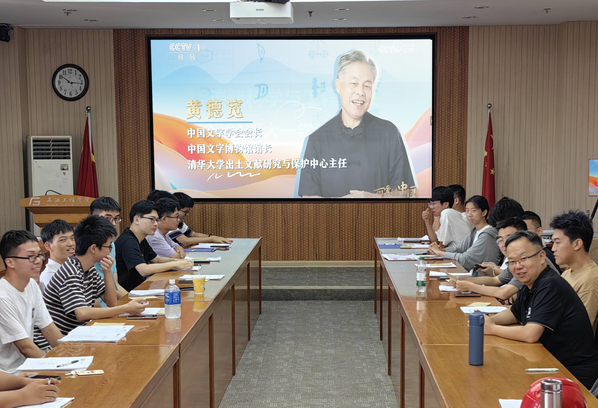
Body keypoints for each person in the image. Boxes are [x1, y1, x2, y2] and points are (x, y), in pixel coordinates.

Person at [484, 231, 598, 389]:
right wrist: (489, 320)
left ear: (542, 256)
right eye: (512, 261)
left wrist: (492, 328)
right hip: (550, 363)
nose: (518, 266)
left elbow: (530, 334)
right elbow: (514, 313)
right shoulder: (531, 283)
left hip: (573, 375)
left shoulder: (550, 285)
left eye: (524, 258)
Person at [297, 50, 415, 198]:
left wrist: (370, 198)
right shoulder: (317, 139)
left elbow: (405, 192)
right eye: (354, 83)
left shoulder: (389, 133)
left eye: (367, 86)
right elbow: (309, 197)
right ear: (338, 85)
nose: (360, 92)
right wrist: (341, 207)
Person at [43, 216, 147, 336]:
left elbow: (111, 302)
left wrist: (107, 272)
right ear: (93, 248)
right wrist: (125, 308)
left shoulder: (89, 268)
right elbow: (82, 314)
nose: (110, 251)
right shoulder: (70, 271)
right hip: (65, 337)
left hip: (81, 332)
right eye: (109, 247)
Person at [0, 231, 63, 373]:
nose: (38, 261)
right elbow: (25, 347)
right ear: (10, 262)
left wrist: (70, 356)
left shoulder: (31, 285)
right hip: (10, 373)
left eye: (39, 255)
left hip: (28, 366)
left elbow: (49, 329)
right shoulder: (3, 297)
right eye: (31, 257)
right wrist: (56, 369)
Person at [115, 200, 194, 292]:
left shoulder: (141, 239)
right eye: (152, 219)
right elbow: (144, 270)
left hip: (141, 288)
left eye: (157, 220)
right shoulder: (128, 241)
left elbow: (156, 259)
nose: (156, 224)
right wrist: (175, 264)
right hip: (128, 292)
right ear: (137, 219)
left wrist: (179, 261)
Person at [452, 218, 528, 300]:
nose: (504, 244)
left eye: (509, 238)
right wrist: (462, 279)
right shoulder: (514, 261)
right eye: (501, 240)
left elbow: (503, 293)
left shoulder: (526, 262)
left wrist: (470, 286)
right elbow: (495, 280)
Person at [550, 210, 598, 331]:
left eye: (557, 242)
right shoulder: (567, 272)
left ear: (577, 244)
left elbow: (581, 328)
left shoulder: (590, 280)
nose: (553, 249)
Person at [429, 195, 501, 271]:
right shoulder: (475, 231)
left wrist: (440, 252)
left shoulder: (487, 234)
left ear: (484, 212)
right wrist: (440, 249)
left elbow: (466, 259)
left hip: (484, 276)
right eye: (467, 211)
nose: (469, 214)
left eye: (474, 211)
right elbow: (458, 249)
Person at [90, 196, 129, 300]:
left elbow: (115, 284)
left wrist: (133, 300)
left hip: (112, 302)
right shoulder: (89, 247)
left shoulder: (111, 245)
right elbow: (102, 288)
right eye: (107, 218)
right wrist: (130, 302)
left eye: (116, 219)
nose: (113, 224)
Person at [39, 220, 75, 291]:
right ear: (48, 246)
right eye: (63, 240)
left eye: (72, 238)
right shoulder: (50, 275)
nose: (71, 243)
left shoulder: (74, 267)